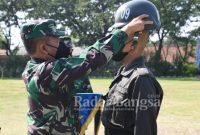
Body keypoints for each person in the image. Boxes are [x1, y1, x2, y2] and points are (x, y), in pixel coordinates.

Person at [20, 15, 153, 134]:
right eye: (56, 40)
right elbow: (90, 59)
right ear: (43, 48)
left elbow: (78, 84)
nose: (61, 43)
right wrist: (126, 31)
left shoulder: (31, 69)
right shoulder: (45, 72)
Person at [101, 0, 164, 135]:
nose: (114, 41)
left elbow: (144, 130)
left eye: (121, 36)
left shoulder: (141, 80)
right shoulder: (124, 74)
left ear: (134, 43)